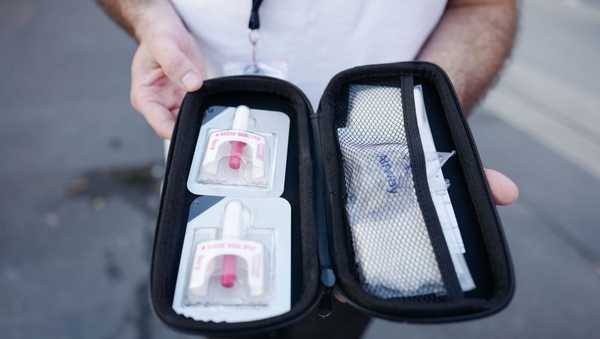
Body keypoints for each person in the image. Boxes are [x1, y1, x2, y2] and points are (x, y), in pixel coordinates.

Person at [98, 1, 519, 337]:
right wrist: (149, 17)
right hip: (211, 160)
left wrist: (420, 123)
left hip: (379, 175)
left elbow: (483, 6)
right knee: (220, 316)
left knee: (334, 324)